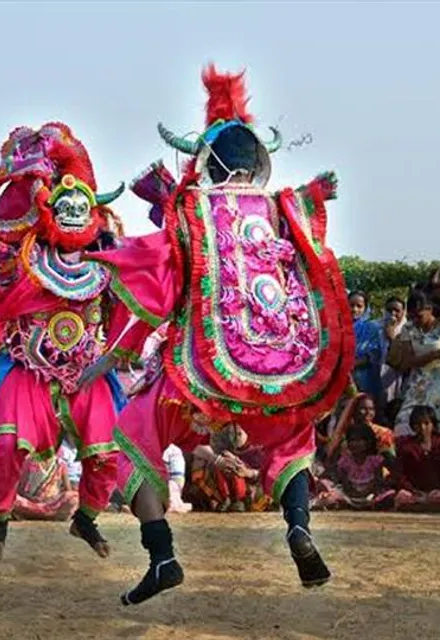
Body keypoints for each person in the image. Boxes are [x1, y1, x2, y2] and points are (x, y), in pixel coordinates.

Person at [109, 67, 353, 604]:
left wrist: (116, 350)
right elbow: (309, 255)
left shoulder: (190, 210)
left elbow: (161, 284)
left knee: (131, 438)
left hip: (200, 371)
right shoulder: (281, 210)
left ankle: (162, 556)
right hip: (277, 370)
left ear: (205, 164)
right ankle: (298, 527)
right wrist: (316, 195)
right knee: (294, 439)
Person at [0, 121, 128, 562]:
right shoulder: (25, 260)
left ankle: (87, 519)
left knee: (108, 452)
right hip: (29, 369)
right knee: (3, 446)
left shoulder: (108, 264)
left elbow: (134, 314)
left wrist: (121, 355)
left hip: (87, 371)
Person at [389, 289, 440, 436]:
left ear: (429, 309)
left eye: (419, 315)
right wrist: (436, 354)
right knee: (404, 422)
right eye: (412, 316)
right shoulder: (408, 328)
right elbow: (408, 361)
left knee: (438, 424)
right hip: (417, 384)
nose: (416, 319)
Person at [313, 423, 395, 510]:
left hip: (372, 495)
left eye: (359, 440)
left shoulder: (375, 460)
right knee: (331, 491)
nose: (355, 444)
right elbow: (345, 483)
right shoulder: (345, 461)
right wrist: (354, 494)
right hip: (350, 495)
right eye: (352, 440)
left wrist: (367, 493)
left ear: (368, 442)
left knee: (389, 494)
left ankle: (371, 505)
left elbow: (378, 481)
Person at [188, 424, 268, 513]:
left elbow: (269, 473)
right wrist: (221, 460)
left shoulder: (261, 444)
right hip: (219, 477)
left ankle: (239, 499)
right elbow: (195, 448)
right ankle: (223, 499)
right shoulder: (217, 432)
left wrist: (247, 472)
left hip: (251, 485)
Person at [326, 393, 396, 462]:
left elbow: (390, 460)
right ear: (353, 410)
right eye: (363, 408)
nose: (368, 412)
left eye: (371, 409)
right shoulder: (345, 433)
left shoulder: (383, 433)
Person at [12, 452, 79, 521]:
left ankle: (30, 515)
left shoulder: (60, 463)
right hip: (28, 503)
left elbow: (68, 489)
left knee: (73, 497)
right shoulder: (29, 460)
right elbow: (19, 487)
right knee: (13, 498)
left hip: (51, 505)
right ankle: (42, 515)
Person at [350, 291, 384, 403]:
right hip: (342, 380)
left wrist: (349, 366)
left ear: (365, 308)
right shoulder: (338, 328)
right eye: (351, 305)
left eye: (359, 306)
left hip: (365, 379)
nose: (355, 309)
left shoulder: (371, 328)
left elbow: (372, 355)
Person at [379, 296, 407, 421]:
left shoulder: (409, 329)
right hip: (379, 379)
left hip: (401, 379)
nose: (393, 314)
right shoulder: (377, 327)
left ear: (403, 312)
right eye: (389, 310)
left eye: (397, 310)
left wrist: (391, 337)